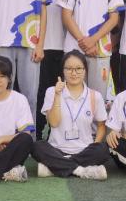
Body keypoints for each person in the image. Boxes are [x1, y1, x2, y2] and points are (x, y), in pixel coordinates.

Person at [59, 0, 124, 99]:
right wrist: (84, 42)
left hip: (101, 51)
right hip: (74, 48)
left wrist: (93, 40)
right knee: (73, 96)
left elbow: (114, 19)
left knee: (98, 97)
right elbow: (66, 16)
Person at [32, 50, 110, 179]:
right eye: (69, 69)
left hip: (85, 150)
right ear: (63, 71)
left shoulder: (94, 96)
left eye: (78, 68)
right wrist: (58, 95)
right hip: (57, 149)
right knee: (37, 146)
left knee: (102, 150)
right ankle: (80, 170)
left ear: (85, 70)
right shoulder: (52, 91)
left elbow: (101, 126)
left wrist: (94, 145)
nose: (74, 73)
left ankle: (56, 167)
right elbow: (54, 123)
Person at [36, 0, 71, 139]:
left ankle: (55, 133)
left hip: (61, 44)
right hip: (36, 45)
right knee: (39, 91)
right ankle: (37, 132)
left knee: (58, 90)